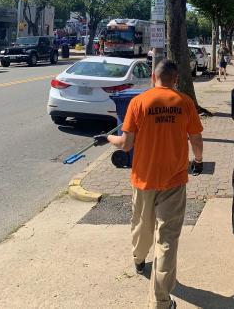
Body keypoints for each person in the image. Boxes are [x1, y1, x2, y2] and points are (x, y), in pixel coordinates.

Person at [93, 59, 204, 309]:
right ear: (175, 80)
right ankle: (160, 302)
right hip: (174, 180)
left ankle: (139, 258)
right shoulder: (185, 103)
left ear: (154, 78)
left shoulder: (138, 102)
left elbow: (126, 144)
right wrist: (198, 160)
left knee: (142, 224)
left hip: (143, 179)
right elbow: (196, 137)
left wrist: (107, 137)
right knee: (167, 239)